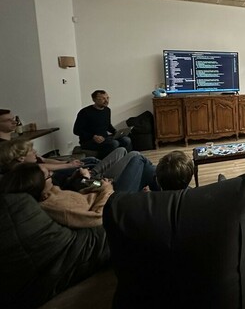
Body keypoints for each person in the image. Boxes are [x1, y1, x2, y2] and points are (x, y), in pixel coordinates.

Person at [0, 139, 157, 192]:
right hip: (96, 185)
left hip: (87, 177)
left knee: (122, 150)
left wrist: (73, 169)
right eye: (31, 151)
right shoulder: (30, 177)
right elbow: (67, 191)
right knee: (136, 156)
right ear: (20, 158)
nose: (35, 152)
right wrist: (83, 177)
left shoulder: (34, 167)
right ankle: (160, 183)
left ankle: (159, 183)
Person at [0, 162, 113, 228]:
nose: (52, 174)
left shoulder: (51, 191)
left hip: (97, 189)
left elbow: (76, 197)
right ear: (40, 186)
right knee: (125, 156)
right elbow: (98, 217)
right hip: (109, 201)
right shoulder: (57, 208)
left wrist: (94, 185)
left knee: (121, 154)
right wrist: (106, 189)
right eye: (48, 175)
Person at [73, 90, 132, 159]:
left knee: (126, 140)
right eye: (103, 99)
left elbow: (108, 125)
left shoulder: (107, 110)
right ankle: (101, 161)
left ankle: (125, 159)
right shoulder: (85, 112)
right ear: (94, 100)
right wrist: (93, 136)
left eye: (107, 98)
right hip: (88, 141)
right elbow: (76, 130)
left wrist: (115, 132)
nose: (106, 101)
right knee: (114, 143)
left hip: (105, 138)